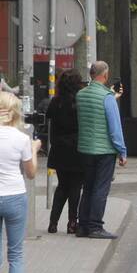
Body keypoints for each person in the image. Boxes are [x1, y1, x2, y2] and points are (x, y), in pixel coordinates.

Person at [0, 91, 41, 273]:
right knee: (15, 255)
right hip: (15, 196)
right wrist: (34, 149)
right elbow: (31, 173)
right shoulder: (21, 138)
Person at [76, 61, 127, 240]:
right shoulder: (107, 97)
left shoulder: (81, 95)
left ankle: (82, 226)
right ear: (105, 75)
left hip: (84, 149)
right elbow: (115, 129)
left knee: (88, 187)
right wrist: (122, 151)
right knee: (100, 189)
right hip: (104, 151)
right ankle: (96, 226)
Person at [46, 70, 85, 234]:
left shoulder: (55, 102)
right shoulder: (80, 102)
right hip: (77, 149)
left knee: (62, 186)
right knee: (76, 186)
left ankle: (53, 223)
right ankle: (72, 223)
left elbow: (49, 121)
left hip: (59, 149)